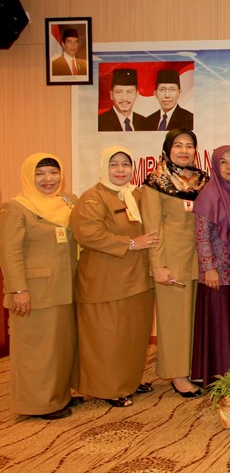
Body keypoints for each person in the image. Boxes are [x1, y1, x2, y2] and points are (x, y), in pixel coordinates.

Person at [71, 146, 158, 407]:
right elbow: (88, 234)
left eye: (125, 164)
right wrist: (131, 243)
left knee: (133, 335)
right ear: (103, 168)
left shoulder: (136, 194)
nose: (120, 170)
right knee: (107, 337)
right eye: (114, 164)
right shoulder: (93, 198)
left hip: (138, 279)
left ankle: (128, 380)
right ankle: (109, 388)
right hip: (106, 281)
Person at [0, 153, 78, 419]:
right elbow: (8, 252)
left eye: (54, 172)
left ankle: (58, 395)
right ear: (28, 176)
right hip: (34, 292)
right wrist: (18, 290)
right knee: (36, 351)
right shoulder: (16, 207)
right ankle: (37, 404)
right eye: (40, 173)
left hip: (65, 287)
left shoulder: (68, 201)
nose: (48, 179)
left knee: (60, 347)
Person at [142, 128, 210, 398]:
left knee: (193, 320)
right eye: (178, 145)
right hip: (171, 262)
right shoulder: (155, 181)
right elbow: (152, 228)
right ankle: (177, 375)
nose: (184, 150)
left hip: (198, 261)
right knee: (174, 321)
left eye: (189, 145)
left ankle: (191, 368)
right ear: (167, 149)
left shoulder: (201, 180)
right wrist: (158, 265)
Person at [191, 146, 230, 386]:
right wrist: (209, 268)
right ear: (215, 166)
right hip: (218, 274)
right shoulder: (209, 195)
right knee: (220, 325)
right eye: (223, 162)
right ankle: (220, 375)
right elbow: (201, 235)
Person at [97, 68, 142, 132]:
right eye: (119, 92)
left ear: (136, 95)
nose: (124, 98)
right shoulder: (100, 122)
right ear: (111, 95)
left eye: (129, 92)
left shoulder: (144, 122)